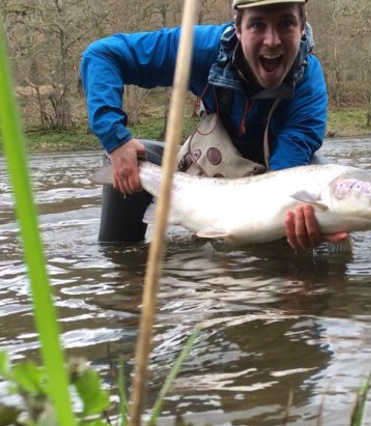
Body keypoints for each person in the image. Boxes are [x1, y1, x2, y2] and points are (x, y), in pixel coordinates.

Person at [81, 0, 348, 250]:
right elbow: (102, 56)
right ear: (238, 28)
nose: (272, 40)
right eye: (257, 25)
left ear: (302, 28)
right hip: (207, 170)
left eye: (285, 24)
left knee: (332, 208)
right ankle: (122, 274)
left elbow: (281, 181)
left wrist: (289, 220)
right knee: (129, 161)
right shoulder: (199, 49)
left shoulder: (309, 84)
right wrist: (115, 138)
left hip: (277, 174)